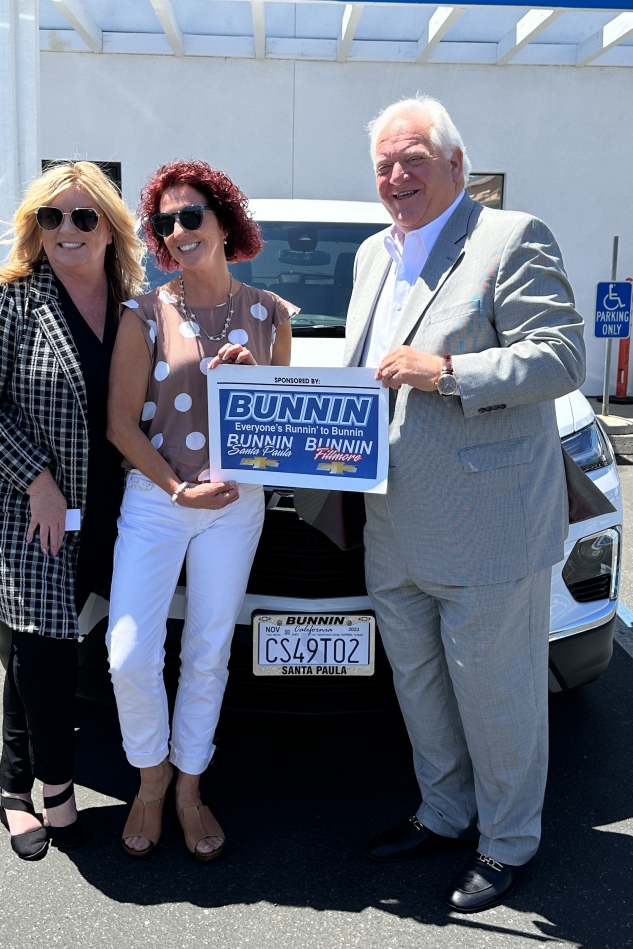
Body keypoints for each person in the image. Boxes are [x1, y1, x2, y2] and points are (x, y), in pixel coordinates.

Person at [344, 96, 585, 913]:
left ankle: (509, 838)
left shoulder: (509, 238)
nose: (396, 176)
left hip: (486, 524)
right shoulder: (373, 255)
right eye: (384, 163)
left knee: (497, 691)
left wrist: (446, 372)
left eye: (413, 158)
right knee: (419, 686)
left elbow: (558, 356)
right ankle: (446, 812)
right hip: (393, 522)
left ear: (455, 164)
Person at [106, 159, 294, 862]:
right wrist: (178, 490)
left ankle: (187, 787)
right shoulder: (145, 311)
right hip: (159, 501)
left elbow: (285, 426)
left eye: (192, 216)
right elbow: (122, 423)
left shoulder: (270, 314)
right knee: (129, 654)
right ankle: (148, 775)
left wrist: (260, 379)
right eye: (164, 222)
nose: (179, 232)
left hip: (235, 507)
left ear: (224, 223)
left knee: (208, 651)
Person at [0, 161, 144, 861]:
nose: (67, 230)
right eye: (52, 217)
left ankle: (12, 777)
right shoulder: (14, 300)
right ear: (36, 228)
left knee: (37, 644)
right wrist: (37, 480)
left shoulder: (136, 306)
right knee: (45, 648)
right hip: (34, 507)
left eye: (84, 217)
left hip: (116, 508)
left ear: (111, 229)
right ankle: (48, 787)